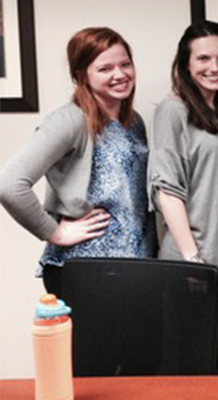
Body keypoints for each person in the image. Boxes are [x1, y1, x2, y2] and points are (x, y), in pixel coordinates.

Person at [0, 27, 154, 295]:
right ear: (82, 75)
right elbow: (9, 184)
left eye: (125, 64)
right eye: (105, 68)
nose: (120, 74)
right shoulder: (70, 120)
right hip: (85, 270)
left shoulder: (133, 121)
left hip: (134, 267)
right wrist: (54, 233)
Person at [149, 21, 218, 375]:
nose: (214, 66)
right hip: (192, 259)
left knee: (214, 358)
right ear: (186, 64)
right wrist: (192, 258)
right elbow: (167, 190)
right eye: (203, 58)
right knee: (191, 366)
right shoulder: (173, 110)